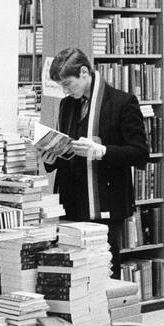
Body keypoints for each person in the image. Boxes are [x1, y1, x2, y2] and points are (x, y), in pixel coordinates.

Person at [45, 48, 150, 273]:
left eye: (68, 83)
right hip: (71, 201)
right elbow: (65, 151)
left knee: (105, 268)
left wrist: (102, 150)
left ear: (84, 72)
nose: (64, 90)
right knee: (74, 270)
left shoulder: (122, 102)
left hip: (106, 201)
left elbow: (140, 153)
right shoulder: (67, 105)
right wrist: (49, 155)